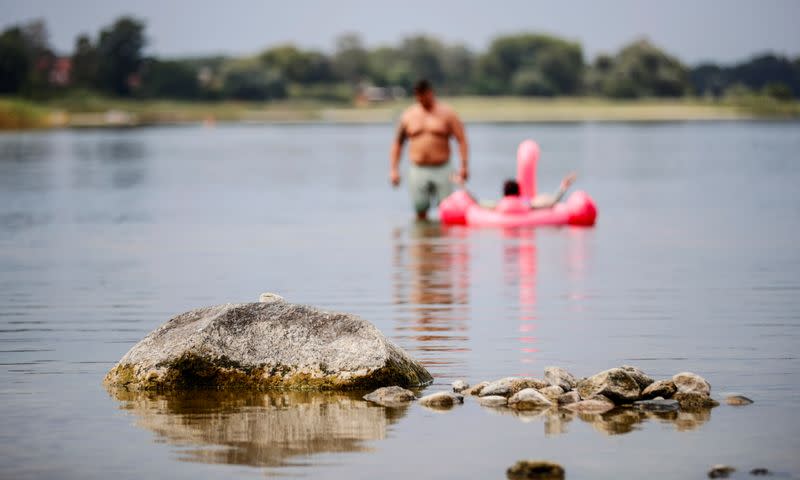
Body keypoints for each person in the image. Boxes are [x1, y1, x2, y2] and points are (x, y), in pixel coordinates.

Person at [390, 79, 469, 220]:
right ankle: (422, 240)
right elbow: (398, 143)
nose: (421, 99)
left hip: (442, 167)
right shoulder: (408, 115)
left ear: (431, 93)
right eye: (418, 96)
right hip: (418, 168)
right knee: (420, 207)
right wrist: (394, 170)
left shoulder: (447, 114)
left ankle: (442, 240)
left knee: (446, 208)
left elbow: (461, 140)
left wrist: (464, 166)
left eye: (424, 95)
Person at [481, 172, 577, 209]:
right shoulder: (526, 204)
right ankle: (564, 184)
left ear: (504, 193)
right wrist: (563, 187)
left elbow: (484, 204)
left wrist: (472, 198)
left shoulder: (500, 205)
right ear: (518, 192)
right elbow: (553, 201)